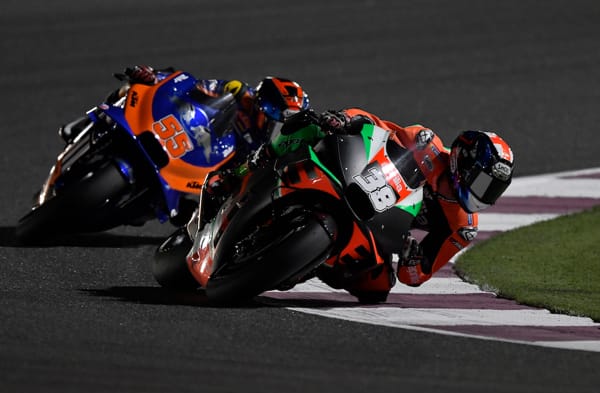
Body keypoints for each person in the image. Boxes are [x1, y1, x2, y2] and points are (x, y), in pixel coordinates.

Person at [236, 107, 515, 303]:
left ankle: (307, 262)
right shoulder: (425, 143)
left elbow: (415, 276)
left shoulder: (462, 226)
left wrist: (412, 257)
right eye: (482, 181)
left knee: (377, 289)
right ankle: (252, 164)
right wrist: (346, 119)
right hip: (358, 176)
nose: (483, 192)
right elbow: (376, 125)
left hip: (380, 228)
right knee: (310, 126)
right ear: (464, 161)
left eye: (492, 188)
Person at [59, 65, 311, 167]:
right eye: (272, 104)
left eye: (280, 113)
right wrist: (156, 77)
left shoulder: (263, 138)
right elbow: (195, 86)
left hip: (199, 154)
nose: (273, 113)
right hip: (185, 119)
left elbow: (241, 164)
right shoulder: (238, 90)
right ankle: (84, 123)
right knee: (136, 85)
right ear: (263, 94)